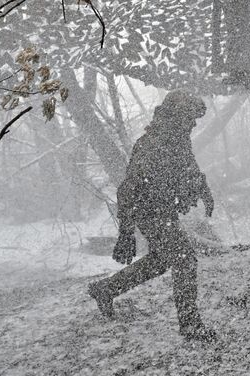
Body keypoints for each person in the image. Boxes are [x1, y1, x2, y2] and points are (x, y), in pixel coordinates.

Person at [88, 90, 215, 341]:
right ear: (177, 116)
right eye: (191, 118)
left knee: (160, 260)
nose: (193, 124)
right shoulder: (151, 145)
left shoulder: (177, 139)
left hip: (163, 210)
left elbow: (189, 166)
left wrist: (203, 189)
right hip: (149, 213)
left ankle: (105, 289)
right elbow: (127, 190)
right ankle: (190, 325)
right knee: (184, 260)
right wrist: (125, 232)